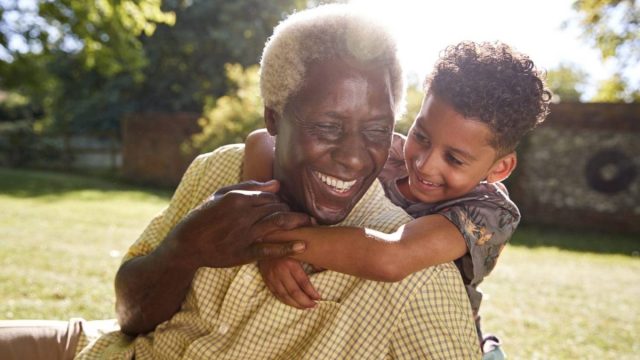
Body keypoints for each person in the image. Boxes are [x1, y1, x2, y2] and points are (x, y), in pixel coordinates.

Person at [61, 5, 479, 359]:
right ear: (273, 119)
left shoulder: (418, 279)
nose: (354, 156)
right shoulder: (218, 170)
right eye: (328, 127)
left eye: (376, 131)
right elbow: (130, 317)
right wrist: (184, 248)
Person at [243, 41, 552, 355]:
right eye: (421, 136)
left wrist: (272, 241)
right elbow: (262, 141)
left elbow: (391, 257)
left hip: (437, 341)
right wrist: (267, 229)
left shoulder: (488, 213)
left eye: (454, 160)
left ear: (500, 168)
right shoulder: (385, 154)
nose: (425, 163)